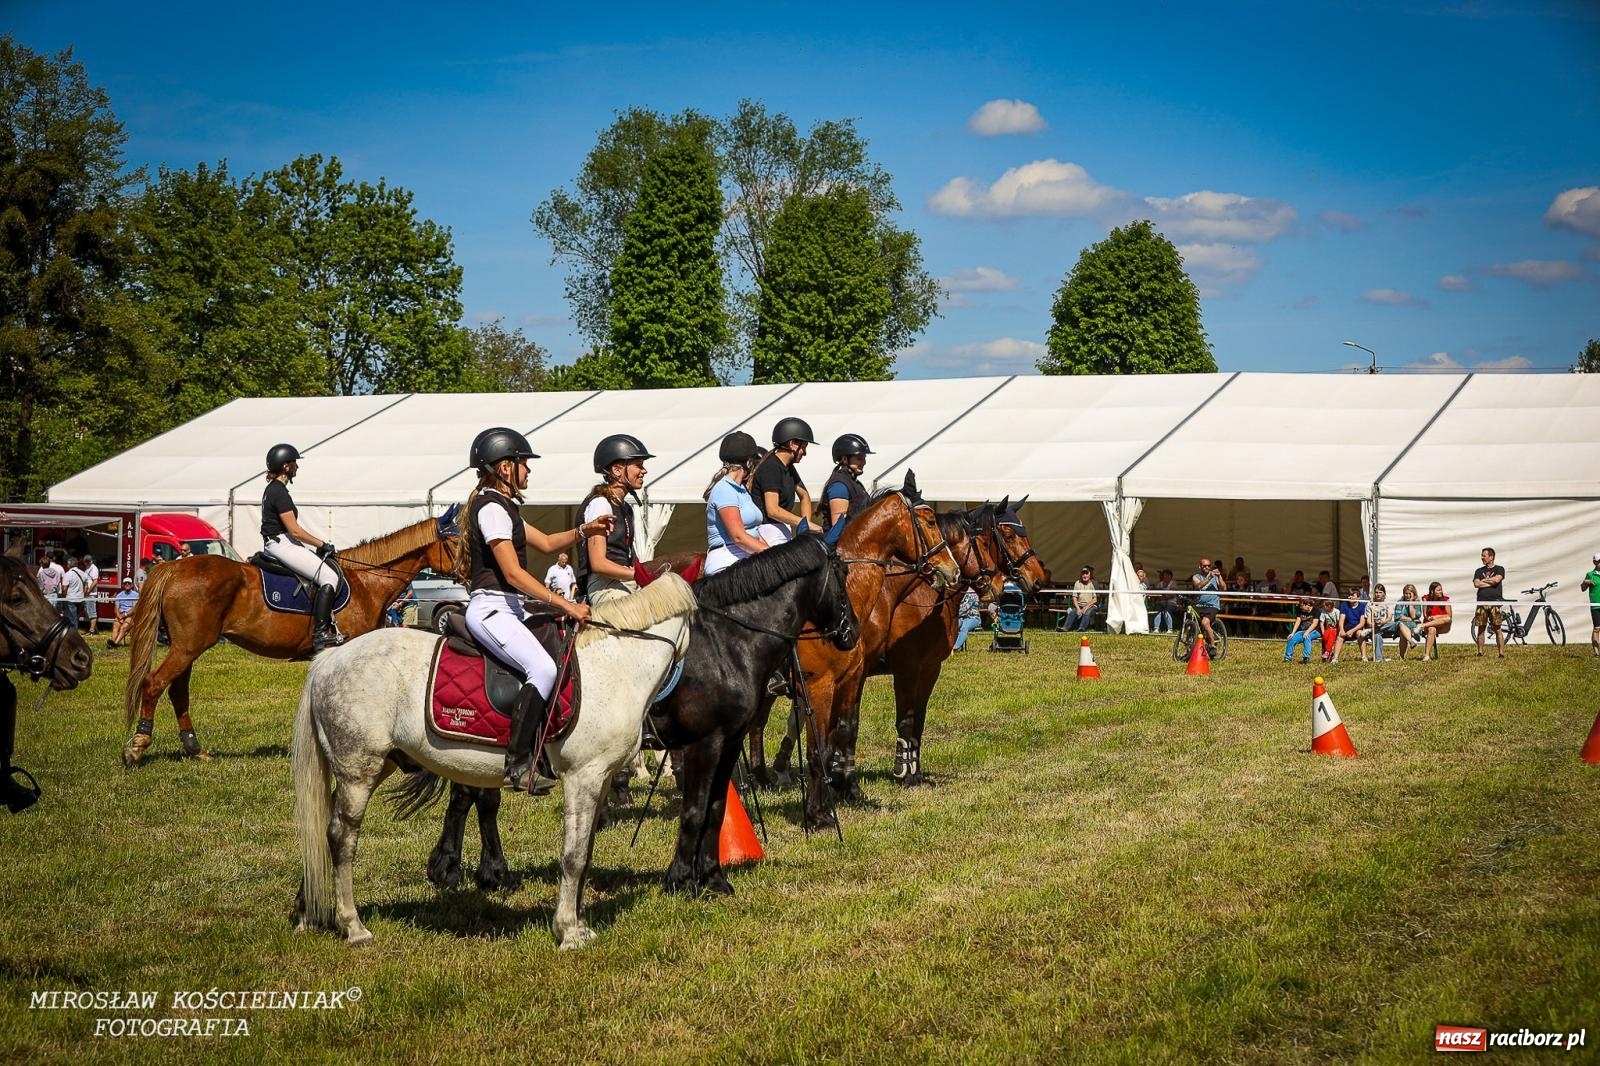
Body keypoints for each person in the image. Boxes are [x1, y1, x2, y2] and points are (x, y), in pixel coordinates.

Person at [458, 427, 609, 793]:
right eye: (524, 464)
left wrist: (585, 530)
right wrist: (565, 603)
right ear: (505, 468)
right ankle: (517, 764)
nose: (529, 471)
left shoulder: (504, 506)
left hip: (510, 608)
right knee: (541, 668)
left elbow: (544, 542)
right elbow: (512, 572)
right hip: (491, 609)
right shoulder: (492, 509)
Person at [260, 443, 345, 651]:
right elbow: (295, 530)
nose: (297, 467)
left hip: (279, 542)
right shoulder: (279, 492)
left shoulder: (272, 489)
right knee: (330, 578)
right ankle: (321, 635)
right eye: (294, 463)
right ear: (286, 466)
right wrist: (323, 544)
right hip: (282, 543)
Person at [577, 434, 654, 607]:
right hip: (604, 586)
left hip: (625, 581)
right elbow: (598, 564)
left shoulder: (625, 508)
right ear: (617, 470)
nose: (644, 471)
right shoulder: (600, 504)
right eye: (639, 465)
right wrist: (637, 574)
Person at [704, 431, 768, 576]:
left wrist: (773, 550)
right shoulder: (724, 489)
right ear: (749, 462)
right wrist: (772, 554)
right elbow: (738, 537)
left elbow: (755, 531)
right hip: (727, 560)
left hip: (746, 557)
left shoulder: (741, 490)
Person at [751, 416, 821, 545]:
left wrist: (804, 530)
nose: (804, 453)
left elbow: (804, 496)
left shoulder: (788, 467)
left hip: (783, 528)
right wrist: (803, 522)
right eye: (804, 447)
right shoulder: (771, 467)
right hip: (768, 531)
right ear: (792, 444)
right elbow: (773, 510)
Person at [820, 433, 873, 547]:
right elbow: (838, 528)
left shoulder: (856, 483)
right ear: (844, 459)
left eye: (864, 458)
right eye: (859, 458)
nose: (864, 462)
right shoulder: (839, 485)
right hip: (841, 550)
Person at [1471, 547, 1506, 658]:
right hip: (1481, 602)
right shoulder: (1479, 571)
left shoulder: (1500, 569)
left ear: (1491, 557)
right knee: (1481, 627)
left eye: (1484, 555)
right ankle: (1480, 652)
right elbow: (1476, 584)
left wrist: (1484, 581)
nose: (1482, 558)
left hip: (1495, 602)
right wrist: (1491, 582)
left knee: (1497, 628)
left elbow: (1497, 580)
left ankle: (1501, 653)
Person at [1418, 581, 1453, 661]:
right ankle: (1427, 655)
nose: (1440, 591)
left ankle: (1422, 626)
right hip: (1430, 623)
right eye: (1438, 590)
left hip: (1443, 625)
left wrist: (1437, 617)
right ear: (1432, 591)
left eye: (1441, 590)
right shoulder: (1426, 599)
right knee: (1432, 629)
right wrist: (1430, 618)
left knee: (1448, 619)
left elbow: (1449, 615)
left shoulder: (1445, 600)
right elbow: (1425, 615)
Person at [1193, 556, 1223, 651]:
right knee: (1191, 624)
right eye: (1204, 566)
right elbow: (1199, 585)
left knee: (1205, 623)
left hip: (1212, 605)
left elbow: (1224, 588)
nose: (1206, 567)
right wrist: (1209, 577)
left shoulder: (1216, 576)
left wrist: (1219, 577)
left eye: (1208, 566)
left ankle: (1213, 646)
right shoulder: (1196, 577)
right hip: (1199, 605)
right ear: (1200, 567)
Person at [1332, 587, 1368, 664]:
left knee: (1360, 635)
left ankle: (1364, 657)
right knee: (1339, 637)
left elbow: (1362, 623)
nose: (1350, 597)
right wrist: (1341, 629)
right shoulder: (1344, 605)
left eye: (1352, 595)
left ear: (1358, 597)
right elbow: (1341, 620)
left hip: (1357, 627)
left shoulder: (1362, 606)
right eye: (1349, 595)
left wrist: (1352, 631)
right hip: (1347, 627)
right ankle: (1335, 658)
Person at [1058, 566, 1099, 632]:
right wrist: (1078, 608)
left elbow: (1095, 599)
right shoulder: (1077, 583)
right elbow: (1074, 597)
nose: (1085, 575)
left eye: (1086, 574)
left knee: (1087, 612)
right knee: (1072, 612)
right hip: (1080, 605)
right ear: (1081, 575)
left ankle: (1081, 628)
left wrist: (1085, 607)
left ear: (1089, 574)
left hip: (1091, 606)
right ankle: (1065, 628)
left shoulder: (1093, 583)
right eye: (1083, 574)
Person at [1393, 583, 1424, 659]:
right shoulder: (1400, 602)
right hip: (1401, 624)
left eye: (1409, 594)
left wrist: (1410, 603)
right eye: (1406, 593)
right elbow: (1397, 616)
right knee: (1401, 626)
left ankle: (1401, 657)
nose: (1407, 595)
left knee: (1403, 633)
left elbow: (1415, 616)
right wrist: (1409, 619)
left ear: (1414, 594)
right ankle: (1411, 642)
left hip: (1413, 625)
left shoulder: (1417, 603)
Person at [1365, 583, 1394, 661]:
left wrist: (1382, 622)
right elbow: (1368, 621)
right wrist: (1374, 624)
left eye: (1380, 592)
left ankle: (1372, 630)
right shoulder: (1370, 603)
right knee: (1377, 636)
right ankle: (1378, 659)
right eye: (1376, 592)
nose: (1378, 594)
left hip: (1386, 626)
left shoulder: (1388, 602)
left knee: (1394, 624)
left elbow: (1389, 618)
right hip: (1374, 626)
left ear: (1384, 593)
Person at [1283, 597, 1317, 663]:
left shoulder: (1316, 610)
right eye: (1300, 606)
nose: (1300, 607)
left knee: (1307, 637)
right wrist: (1293, 633)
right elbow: (1298, 621)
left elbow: (1315, 624)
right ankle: (1287, 658)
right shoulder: (1299, 610)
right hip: (1302, 631)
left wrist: (1307, 632)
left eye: (1302, 606)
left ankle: (1306, 658)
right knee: (1291, 638)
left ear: (1308, 605)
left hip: (1314, 631)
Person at [108, 577, 139, 647]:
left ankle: (115, 643)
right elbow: (116, 609)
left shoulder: (136, 595)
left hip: (130, 616)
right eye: (125, 583)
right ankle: (112, 642)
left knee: (123, 627)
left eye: (129, 583)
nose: (127, 584)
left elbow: (134, 609)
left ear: (132, 585)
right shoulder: (119, 595)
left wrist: (124, 615)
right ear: (123, 585)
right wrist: (120, 617)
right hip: (121, 615)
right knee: (116, 624)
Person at [61, 556, 87, 632]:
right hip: (80, 598)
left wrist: (63, 596)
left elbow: (64, 588)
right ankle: (74, 632)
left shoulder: (68, 574)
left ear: (69, 565)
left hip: (70, 599)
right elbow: (86, 586)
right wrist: (84, 594)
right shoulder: (83, 573)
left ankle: (74, 634)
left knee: (72, 618)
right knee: (76, 617)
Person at [953, 586, 984, 651]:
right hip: (961, 617)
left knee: (964, 627)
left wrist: (953, 616)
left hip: (974, 618)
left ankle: (954, 647)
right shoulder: (959, 593)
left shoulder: (972, 593)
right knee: (952, 625)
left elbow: (965, 609)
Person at [1583, 553, 1600, 658]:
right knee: (1597, 628)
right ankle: (1596, 653)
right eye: (1599, 561)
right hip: (1595, 605)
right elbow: (1583, 589)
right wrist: (1586, 582)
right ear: (1595, 562)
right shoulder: (1590, 574)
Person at [1150, 569, 1177, 633]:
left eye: (1167, 575)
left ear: (1171, 576)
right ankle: (1156, 628)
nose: (1165, 577)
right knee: (1158, 610)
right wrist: (1162, 597)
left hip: (1171, 602)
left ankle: (1169, 629)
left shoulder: (1173, 584)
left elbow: (1172, 595)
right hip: (1160, 602)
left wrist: (1162, 597)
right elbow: (1156, 594)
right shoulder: (1159, 584)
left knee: (1167, 610)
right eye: (1164, 575)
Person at [81, 554, 100, 634]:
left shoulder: (94, 569)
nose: (84, 564)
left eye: (85, 562)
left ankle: (92, 630)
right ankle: (95, 629)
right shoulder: (88, 568)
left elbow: (95, 581)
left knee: (92, 612)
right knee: (88, 611)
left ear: (88, 561)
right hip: (87, 594)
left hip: (91, 594)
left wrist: (89, 591)